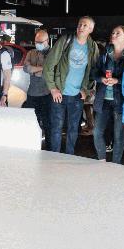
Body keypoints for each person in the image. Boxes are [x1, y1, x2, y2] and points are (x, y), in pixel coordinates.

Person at [43, 16, 99, 154]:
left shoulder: (92, 47)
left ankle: (69, 156)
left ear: (91, 29)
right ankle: (55, 157)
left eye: (85, 25)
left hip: (77, 96)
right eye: (80, 24)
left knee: (73, 129)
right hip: (59, 93)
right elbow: (49, 65)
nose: (81, 27)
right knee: (56, 128)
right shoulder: (66, 40)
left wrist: (86, 90)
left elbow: (94, 71)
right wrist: (53, 88)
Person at [92, 26, 124, 163]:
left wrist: (118, 81)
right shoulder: (105, 53)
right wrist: (101, 79)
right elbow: (94, 72)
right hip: (103, 99)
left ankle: (116, 164)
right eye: (113, 32)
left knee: (118, 136)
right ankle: (102, 161)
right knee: (97, 132)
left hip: (121, 100)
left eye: (118, 33)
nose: (114, 35)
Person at [23, 29, 52, 147]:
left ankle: (49, 149)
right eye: (36, 42)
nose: (37, 44)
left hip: (47, 93)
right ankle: (32, 146)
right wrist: (42, 68)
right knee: (31, 122)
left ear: (47, 41)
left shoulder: (53, 53)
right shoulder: (31, 53)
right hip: (32, 93)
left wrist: (34, 70)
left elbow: (51, 70)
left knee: (48, 123)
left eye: (40, 42)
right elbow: (26, 68)